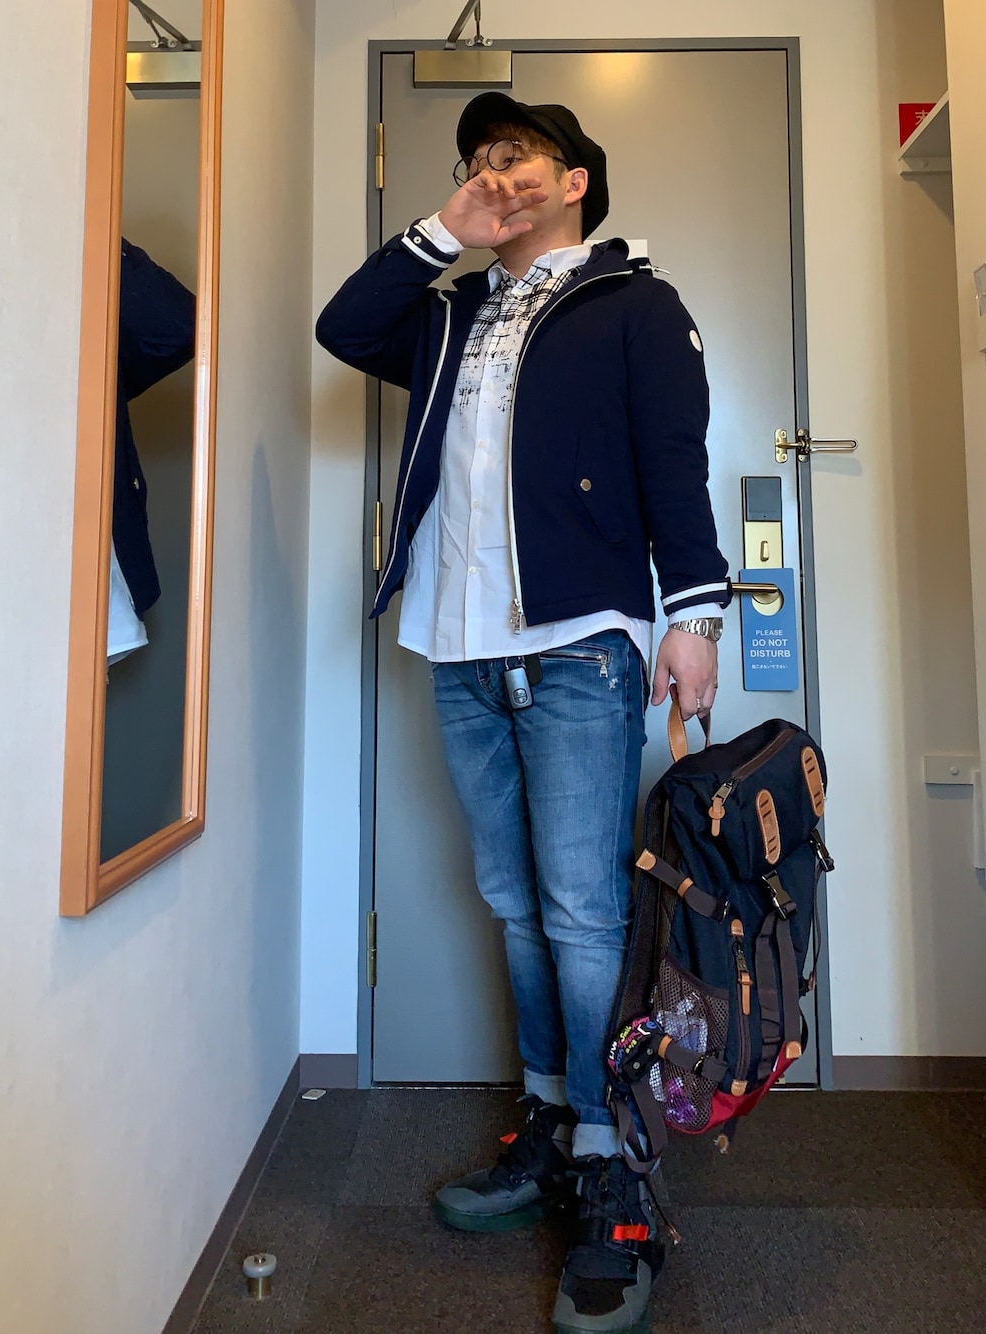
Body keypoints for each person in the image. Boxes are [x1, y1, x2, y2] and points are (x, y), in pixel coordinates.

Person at [316, 91, 731, 1334]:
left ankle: (614, 1162)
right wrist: (444, 230)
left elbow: (674, 459)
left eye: (519, 156)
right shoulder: (447, 313)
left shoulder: (634, 304)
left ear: (576, 179)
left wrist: (694, 616)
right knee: (511, 902)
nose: (495, 171)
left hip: (578, 647)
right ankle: (552, 1116)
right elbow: (343, 326)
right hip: (455, 645)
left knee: (583, 910)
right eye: (477, 159)